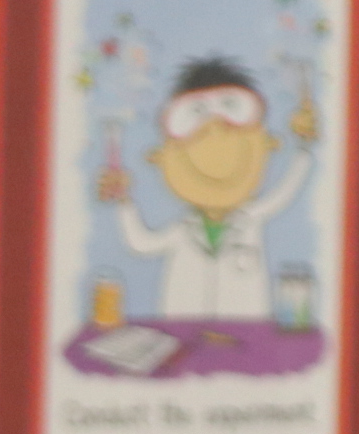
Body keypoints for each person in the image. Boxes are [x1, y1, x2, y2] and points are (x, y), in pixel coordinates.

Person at [98, 57, 312, 322]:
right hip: (183, 336)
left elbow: (286, 189)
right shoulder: (181, 230)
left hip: (245, 334)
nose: (215, 133)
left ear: (268, 143)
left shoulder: (251, 219)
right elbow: (141, 243)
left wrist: (304, 144)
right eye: (196, 118)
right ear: (160, 157)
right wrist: (123, 202)